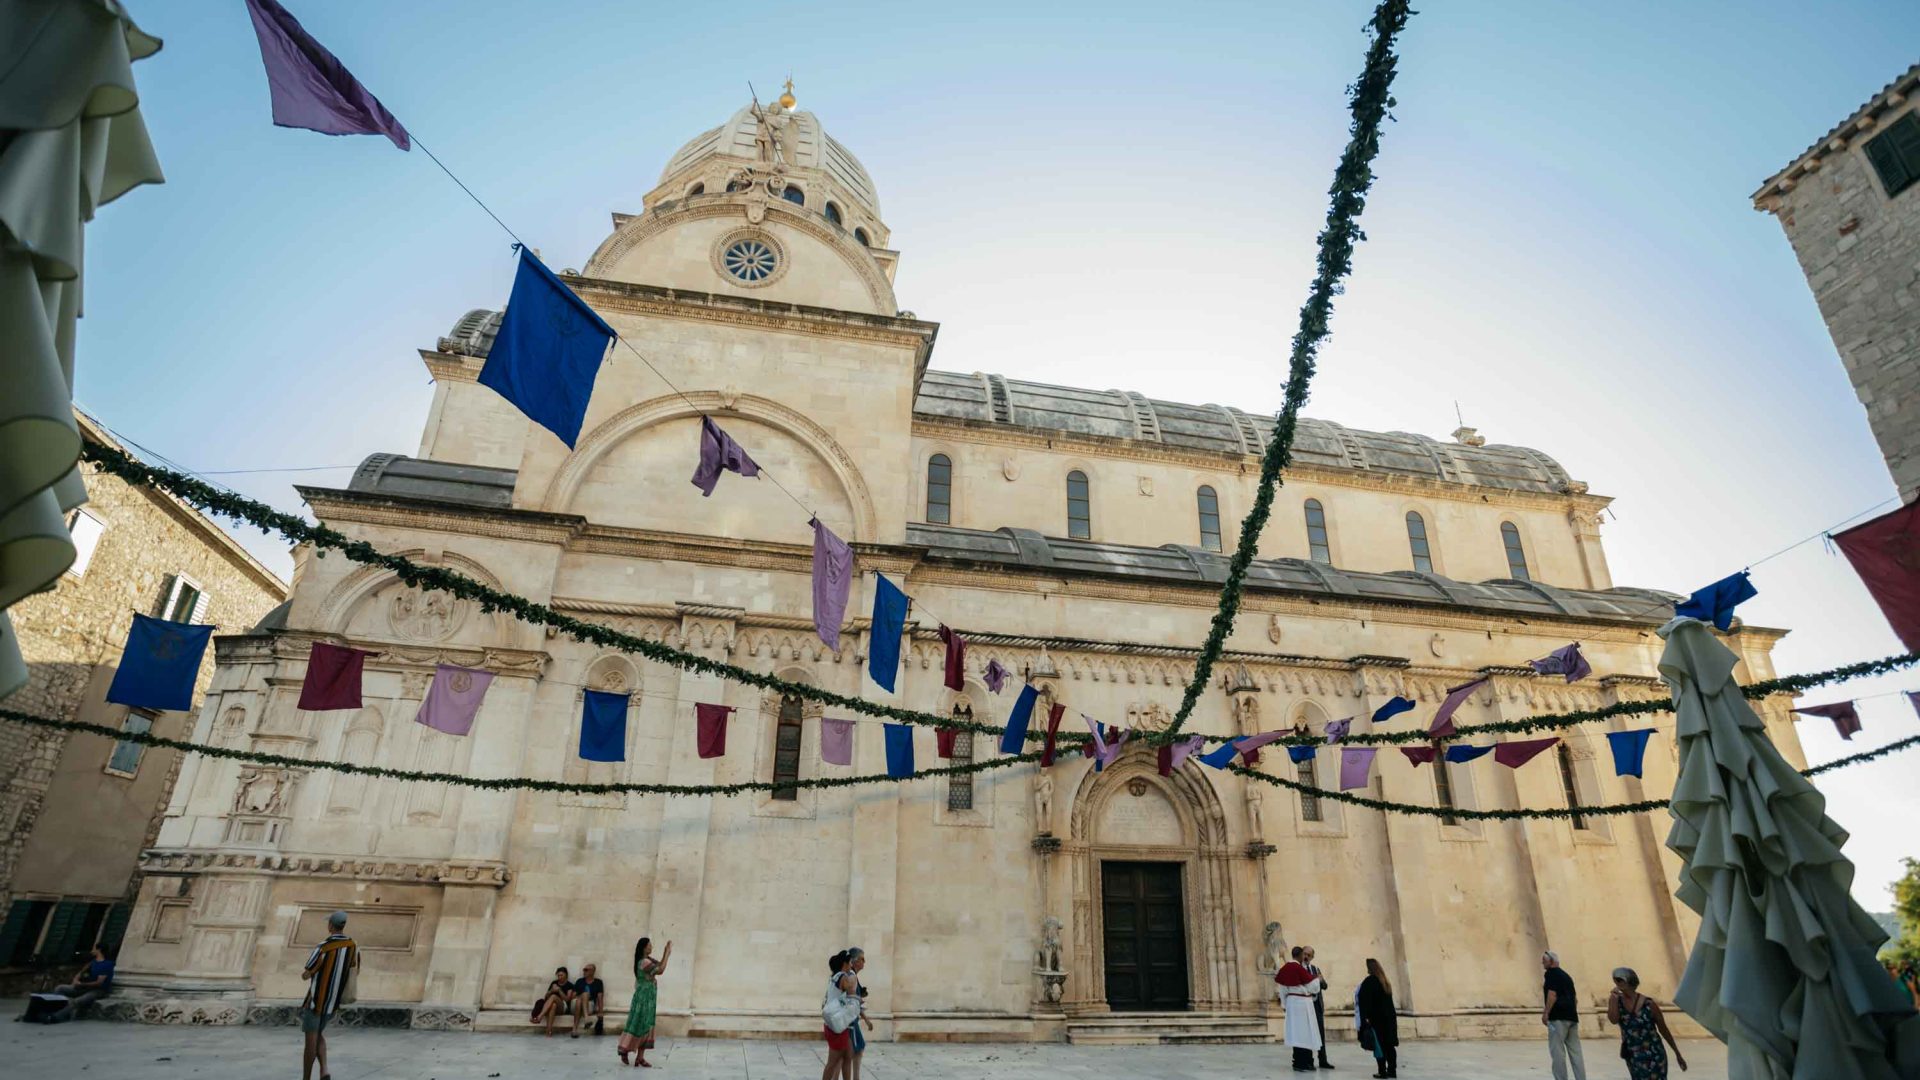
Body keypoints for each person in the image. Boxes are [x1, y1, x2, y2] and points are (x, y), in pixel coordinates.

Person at [300, 911, 358, 1080]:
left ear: (331, 925)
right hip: (334, 1001)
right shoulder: (352, 945)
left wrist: (306, 975)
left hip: (316, 1001)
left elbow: (308, 972)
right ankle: (324, 1069)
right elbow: (355, 969)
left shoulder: (323, 946)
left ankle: (306, 1078)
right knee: (318, 1033)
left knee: (310, 1041)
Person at [1608, 968, 1686, 1079]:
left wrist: (1677, 1053)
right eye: (1615, 980)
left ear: (1629, 981)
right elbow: (1613, 1020)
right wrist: (1613, 1000)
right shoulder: (1616, 1001)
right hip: (1633, 1055)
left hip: (1654, 1054)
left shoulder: (1649, 1004)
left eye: (1620, 980)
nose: (1617, 983)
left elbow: (1663, 1029)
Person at [620, 937, 670, 1067]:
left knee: (646, 1025)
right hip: (643, 998)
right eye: (649, 945)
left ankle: (640, 1057)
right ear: (643, 947)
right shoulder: (643, 962)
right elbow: (660, 970)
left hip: (649, 998)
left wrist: (665, 954)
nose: (651, 947)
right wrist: (667, 954)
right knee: (638, 1023)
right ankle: (624, 1049)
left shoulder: (648, 960)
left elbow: (659, 964)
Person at [1541, 950, 1586, 1080]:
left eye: (1544, 961)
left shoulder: (1551, 974)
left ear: (1551, 962)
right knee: (1576, 1052)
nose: (1542, 963)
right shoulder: (1567, 976)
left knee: (1558, 1053)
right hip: (1572, 1018)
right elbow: (1575, 999)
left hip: (1557, 1018)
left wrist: (1546, 1013)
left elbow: (1552, 994)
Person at [1277, 946, 1323, 1072]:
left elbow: (1282, 990)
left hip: (1292, 1003)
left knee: (1296, 1034)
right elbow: (1313, 987)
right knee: (1304, 1034)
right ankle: (1302, 1063)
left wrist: (1285, 1006)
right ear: (1300, 956)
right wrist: (1317, 980)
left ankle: (1299, 1061)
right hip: (1303, 1004)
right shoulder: (1298, 968)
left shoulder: (1284, 969)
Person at [42, 944, 115, 1023]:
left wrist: (81, 984)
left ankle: (55, 1017)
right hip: (84, 987)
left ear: (99, 950)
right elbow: (80, 973)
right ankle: (51, 1010)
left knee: (78, 1001)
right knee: (60, 988)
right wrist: (75, 981)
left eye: (94, 949)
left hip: (97, 990)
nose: (92, 951)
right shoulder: (92, 962)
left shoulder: (107, 964)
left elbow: (99, 983)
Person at [1355, 958, 1398, 1079]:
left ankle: (1382, 1071)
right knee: (1389, 1045)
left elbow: (1364, 1001)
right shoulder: (1385, 982)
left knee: (1379, 1047)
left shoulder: (1369, 982)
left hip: (1376, 1020)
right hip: (1388, 1019)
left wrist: (1365, 1019)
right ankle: (1392, 1070)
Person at [822, 951, 862, 1080]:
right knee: (832, 1062)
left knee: (848, 1056)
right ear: (845, 963)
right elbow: (850, 991)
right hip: (837, 1026)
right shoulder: (843, 977)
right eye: (850, 962)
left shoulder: (834, 977)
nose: (851, 965)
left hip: (838, 1024)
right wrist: (854, 977)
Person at [844, 947, 875, 1080]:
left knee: (850, 1053)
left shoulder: (851, 975)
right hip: (851, 1021)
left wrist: (866, 1020)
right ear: (855, 961)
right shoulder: (851, 976)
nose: (864, 962)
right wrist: (866, 1019)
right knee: (855, 1051)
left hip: (849, 1020)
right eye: (862, 959)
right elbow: (853, 1002)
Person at [1304, 945, 1335, 1070]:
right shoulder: (1299, 969)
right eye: (1304, 954)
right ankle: (1308, 1061)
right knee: (1307, 1034)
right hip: (1306, 1006)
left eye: (1309, 955)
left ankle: (1323, 1060)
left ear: (1312, 957)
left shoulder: (1315, 969)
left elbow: (1325, 986)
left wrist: (1321, 980)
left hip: (1317, 1006)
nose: (1306, 957)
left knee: (1320, 1034)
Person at [531, 966, 573, 1036]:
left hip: (563, 1007)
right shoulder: (554, 983)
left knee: (553, 997)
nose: (560, 977)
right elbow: (546, 997)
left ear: (566, 975)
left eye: (561, 975)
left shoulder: (570, 985)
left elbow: (567, 999)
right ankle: (549, 1031)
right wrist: (551, 991)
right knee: (553, 1005)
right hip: (553, 1005)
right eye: (558, 975)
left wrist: (559, 990)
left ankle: (539, 1017)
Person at [571, 962, 606, 1038]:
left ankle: (574, 1029)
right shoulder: (580, 981)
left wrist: (600, 1012)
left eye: (586, 970)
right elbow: (573, 996)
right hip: (576, 1004)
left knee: (583, 997)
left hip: (589, 1005)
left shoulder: (598, 982)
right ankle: (587, 1019)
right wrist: (581, 995)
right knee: (581, 998)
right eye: (584, 970)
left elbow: (600, 997)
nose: (584, 971)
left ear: (592, 971)